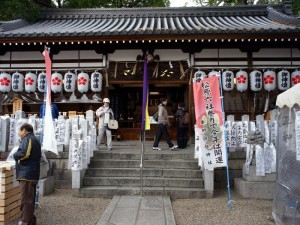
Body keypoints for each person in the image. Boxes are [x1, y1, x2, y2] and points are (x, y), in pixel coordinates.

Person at [13, 123, 41, 225]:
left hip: (27, 174)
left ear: (24, 130)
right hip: (32, 173)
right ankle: (31, 221)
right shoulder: (35, 139)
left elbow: (24, 154)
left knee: (26, 200)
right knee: (30, 199)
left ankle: (25, 222)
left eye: (19, 131)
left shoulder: (27, 139)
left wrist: (15, 155)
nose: (19, 134)